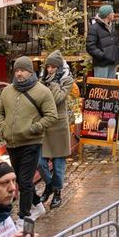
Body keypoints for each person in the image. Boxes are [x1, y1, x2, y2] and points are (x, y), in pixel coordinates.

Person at [0, 56, 59, 221]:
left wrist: (34, 128)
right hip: (12, 143)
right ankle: (38, 205)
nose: (19, 74)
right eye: (16, 70)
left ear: (30, 72)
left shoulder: (42, 91)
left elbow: (52, 116)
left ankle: (23, 219)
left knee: (24, 181)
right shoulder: (7, 91)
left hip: (31, 142)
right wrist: (3, 128)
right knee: (23, 181)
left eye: (22, 70)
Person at [38, 51, 73, 208]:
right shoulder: (41, 80)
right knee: (39, 161)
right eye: (48, 67)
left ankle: (57, 192)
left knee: (59, 165)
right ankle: (50, 185)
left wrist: (51, 83)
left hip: (59, 126)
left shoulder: (67, 79)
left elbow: (58, 98)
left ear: (59, 68)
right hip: (44, 125)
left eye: (53, 67)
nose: (50, 70)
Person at [86, 4, 119, 79]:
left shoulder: (111, 27)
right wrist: (103, 56)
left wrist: (118, 53)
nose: (113, 14)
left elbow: (115, 43)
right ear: (107, 14)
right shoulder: (94, 28)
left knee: (111, 89)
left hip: (113, 62)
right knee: (101, 89)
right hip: (101, 64)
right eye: (112, 12)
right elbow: (90, 46)